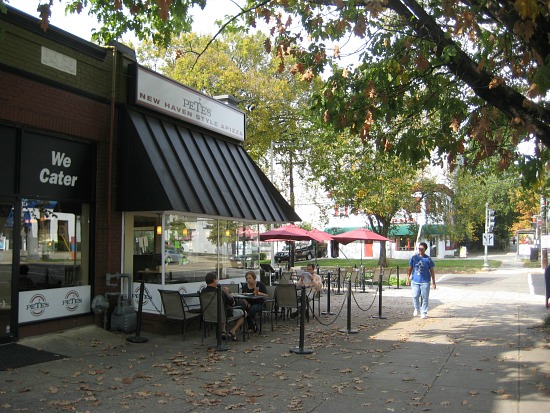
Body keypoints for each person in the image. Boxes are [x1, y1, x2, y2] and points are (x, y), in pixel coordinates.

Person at [203, 272, 245, 341]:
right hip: (222, 315)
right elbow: (232, 303)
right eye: (217, 279)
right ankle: (232, 331)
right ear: (214, 280)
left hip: (208, 314)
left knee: (222, 309)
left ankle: (223, 331)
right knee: (244, 312)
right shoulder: (220, 292)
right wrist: (227, 293)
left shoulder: (203, 291)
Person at [406, 242, 436, 319]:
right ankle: (416, 308)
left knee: (425, 297)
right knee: (415, 296)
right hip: (415, 280)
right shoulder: (414, 258)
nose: (420, 250)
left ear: (425, 249)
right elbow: (410, 268)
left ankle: (424, 312)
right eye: (419, 248)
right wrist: (408, 278)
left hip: (425, 281)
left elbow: (432, 271)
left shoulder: (428, 259)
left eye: (421, 249)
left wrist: (433, 282)